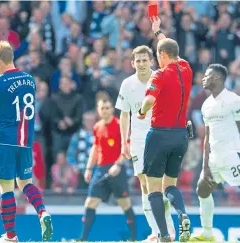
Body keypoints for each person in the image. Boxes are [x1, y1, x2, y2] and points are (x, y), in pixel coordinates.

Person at [0, 41, 53, 243]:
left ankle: (10, 236)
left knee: (6, 188)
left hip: (4, 141)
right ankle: (42, 212)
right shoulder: (29, 80)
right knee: (26, 183)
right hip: (26, 141)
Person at [137, 17, 193, 242]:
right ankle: (183, 214)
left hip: (159, 135)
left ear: (160, 56)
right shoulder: (186, 68)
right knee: (170, 185)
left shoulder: (159, 74)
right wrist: (158, 32)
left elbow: (149, 100)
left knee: (153, 188)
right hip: (180, 136)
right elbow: (171, 50)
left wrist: (141, 111)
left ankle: (164, 235)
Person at [115, 45, 175, 242]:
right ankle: (156, 231)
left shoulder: (160, 78)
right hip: (138, 140)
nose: (141, 64)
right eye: (137, 61)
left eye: (144, 60)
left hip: (159, 136)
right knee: (144, 184)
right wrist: (124, 142)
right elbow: (124, 114)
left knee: (159, 185)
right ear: (132, 63)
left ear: (152, 61)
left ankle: (169, 230)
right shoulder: (127, 84)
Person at [190, 64, 240, 242]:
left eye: (207, 75)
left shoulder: (233, 100)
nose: (203, 78)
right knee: (202, 189)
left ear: (217, 78)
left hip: (231, 155)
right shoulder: (206, 105)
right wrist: (205, 163)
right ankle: (207, 233)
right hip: (213, 158)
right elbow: (208, 136)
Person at [77, 99, 136, 241]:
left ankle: (134, 238)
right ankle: (82, 238)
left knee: (125, 204)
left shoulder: (119, 125)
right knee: (90, 203)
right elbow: (95, 148)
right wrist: (89, 168)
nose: (104, 110)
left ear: (112, 109)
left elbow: (128, 147)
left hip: (117, 169)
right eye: (102, 108)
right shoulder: (97, 126)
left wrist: (118, 164)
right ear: (98, 110)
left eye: (107, 107)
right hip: (101, 169)